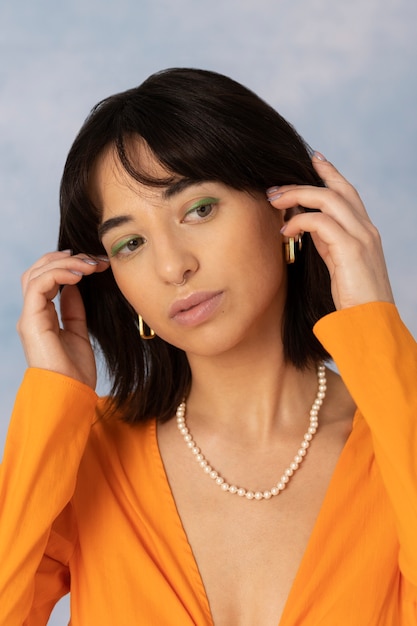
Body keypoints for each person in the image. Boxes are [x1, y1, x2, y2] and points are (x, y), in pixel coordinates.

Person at [0, 67, 416, 626]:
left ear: (287, 209)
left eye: (199, 209)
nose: (173, 266)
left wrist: (374, 327)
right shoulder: (85, 460)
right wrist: (54, 404)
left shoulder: (395, 441)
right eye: (130, 243)